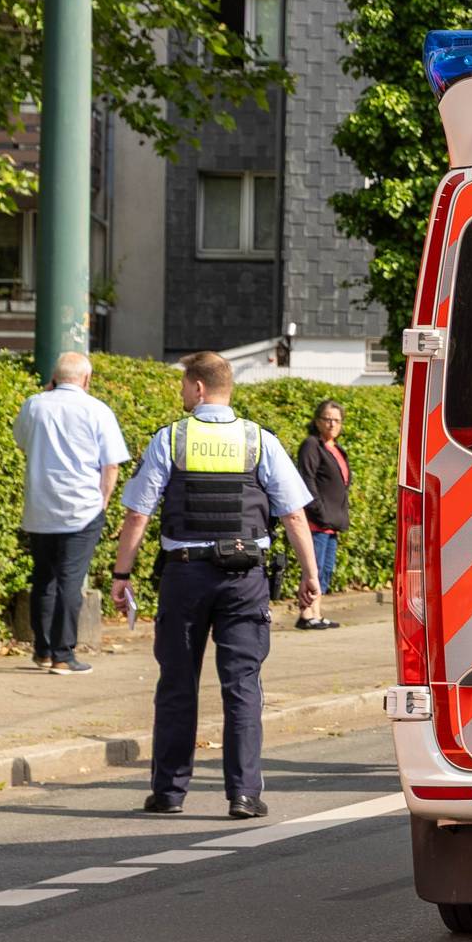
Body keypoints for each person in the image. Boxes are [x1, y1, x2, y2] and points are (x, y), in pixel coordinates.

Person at [107, 351, 324, 819]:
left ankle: (169, 792)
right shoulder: (259, 440)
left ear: (199, 388)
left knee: (177, 684)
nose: (182, 393)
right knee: (243, 685)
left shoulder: (172, 438)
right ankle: (244, 795)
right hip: (245, 578)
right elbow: (292, 514)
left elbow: (138, 513)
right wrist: (312, 575)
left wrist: (121, 574)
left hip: (185, 575)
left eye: (185, 384)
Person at [13, 352, 129, 676]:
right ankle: (64, 655)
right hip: (82, 508)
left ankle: (43, 651)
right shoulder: (98, 411)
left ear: (54, 378)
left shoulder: (34, 405)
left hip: (40, 507)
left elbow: (23, 442)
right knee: (70, 582)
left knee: (43, 580)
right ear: (87, 379)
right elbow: (111, 464)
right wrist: (103, 500)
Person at [290, 400, 350, 631]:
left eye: (336, 420)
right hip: (317, 522)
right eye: (327, 419)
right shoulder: (312, 445)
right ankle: (306, 614)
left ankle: (316, 612)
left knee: (325, 569)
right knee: (312, 568)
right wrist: (320, 512)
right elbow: (307, 481)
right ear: (317, 421)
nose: (332, 424)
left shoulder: (336, 448)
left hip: (331, 523)